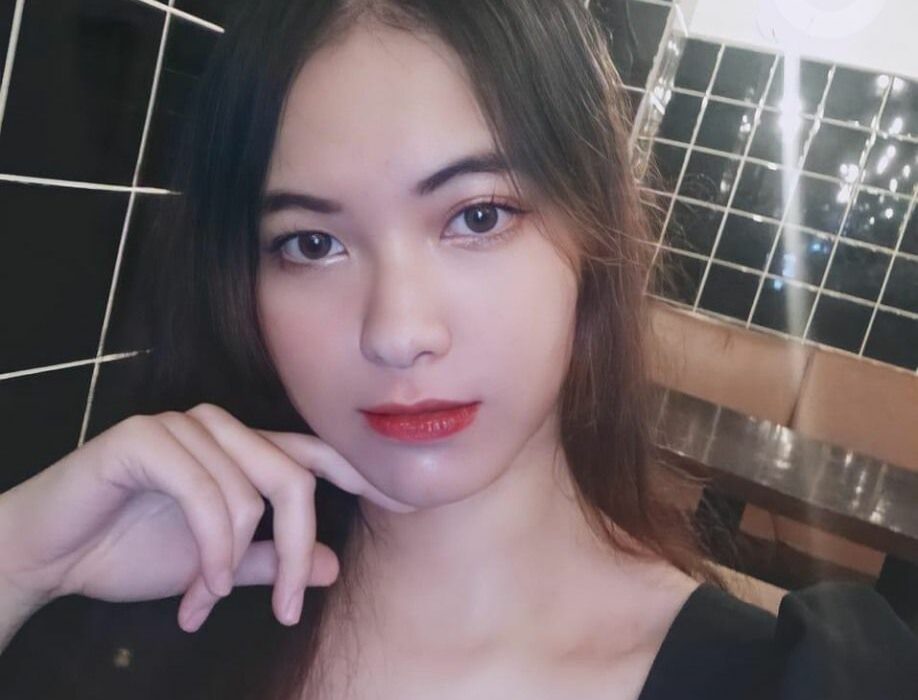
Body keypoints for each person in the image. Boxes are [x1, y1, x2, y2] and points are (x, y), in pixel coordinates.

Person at [0, 1, 915, 698]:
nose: (398, 333)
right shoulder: (155, 587)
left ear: (594, 237)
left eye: (477, 217)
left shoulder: (797, 682)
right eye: (311, 243)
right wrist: (21, 560)